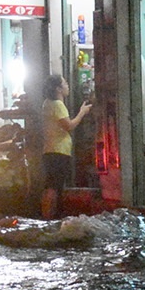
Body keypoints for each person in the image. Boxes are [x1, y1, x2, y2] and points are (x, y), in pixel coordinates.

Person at [39, 75, 92, 218]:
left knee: (51, 185)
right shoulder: (57, 105)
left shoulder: (47, 103)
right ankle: (50, 216)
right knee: (54, 186)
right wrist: (82, 112)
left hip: (51, 150)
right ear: (58, 89)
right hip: (59, 151)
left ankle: (48, 215)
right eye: (65, 83)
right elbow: (69, 126)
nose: (67, 86)